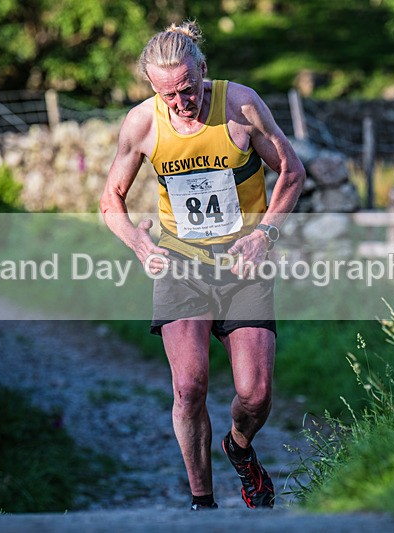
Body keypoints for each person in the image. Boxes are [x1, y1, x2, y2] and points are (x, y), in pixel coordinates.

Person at [100, 20, 305, 510]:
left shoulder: (241, 106)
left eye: (187, 90)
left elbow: (292, 172)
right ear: (153, 88)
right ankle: (203, 504)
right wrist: (138, 243)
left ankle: (238, 447)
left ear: (203, 71)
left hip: (242, 265)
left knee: (254, 395)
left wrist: (264, 235)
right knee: (189, 385)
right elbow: (111, 199)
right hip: (180, 264)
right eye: (167, 94)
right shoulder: (143, 123)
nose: (180, 103)